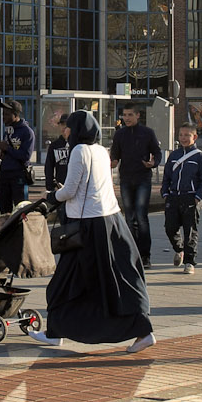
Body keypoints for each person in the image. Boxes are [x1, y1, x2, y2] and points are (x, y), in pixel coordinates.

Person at [30, 110, 157, 354]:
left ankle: (57, 331)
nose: (65, 131)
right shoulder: (100, 150)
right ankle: (58, 331)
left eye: (68, 127)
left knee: (66, 281)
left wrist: (50, 197)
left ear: (78, 130)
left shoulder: (79, 151)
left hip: (87, 227)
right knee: (117, 278)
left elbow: (70, 190)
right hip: (111, 220)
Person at [109, 107, 161, 268]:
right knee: (129, 218)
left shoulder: (147, 133)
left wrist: (153, 163)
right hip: (125, 179)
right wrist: (112, 162)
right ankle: (131, 253)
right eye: (124, 115)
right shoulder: (120, 134)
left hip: (143, 178)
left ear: (138, 115)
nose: (127, 118)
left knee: (141, 216)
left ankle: (145, 255)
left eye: (130, 115)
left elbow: (157, 153)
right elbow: (115, 155)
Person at [159, 123, 202, 275]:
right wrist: (165, 194)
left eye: (187, 135)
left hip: (191, 197)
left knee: (190, 231)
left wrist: (198, 197)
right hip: (173, 197)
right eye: (181, 134)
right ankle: (178, 249)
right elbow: (167, 176)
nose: (183, 138)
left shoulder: (200, 157)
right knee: (170, 228)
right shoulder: (174, 156)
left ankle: (189, 262)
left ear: (194, 137)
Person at [0, 99, 35, 219]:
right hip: (4, 174)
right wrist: (0, 152)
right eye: (3, 113)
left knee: (20, 208)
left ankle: (20, 234)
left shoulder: (27, 132)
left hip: (18, 175)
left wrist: (8, 149)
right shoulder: (8, 131)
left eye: (6, 114)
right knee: (4, 209)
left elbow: (25, 156)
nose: (3, 117)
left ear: (15, 115)